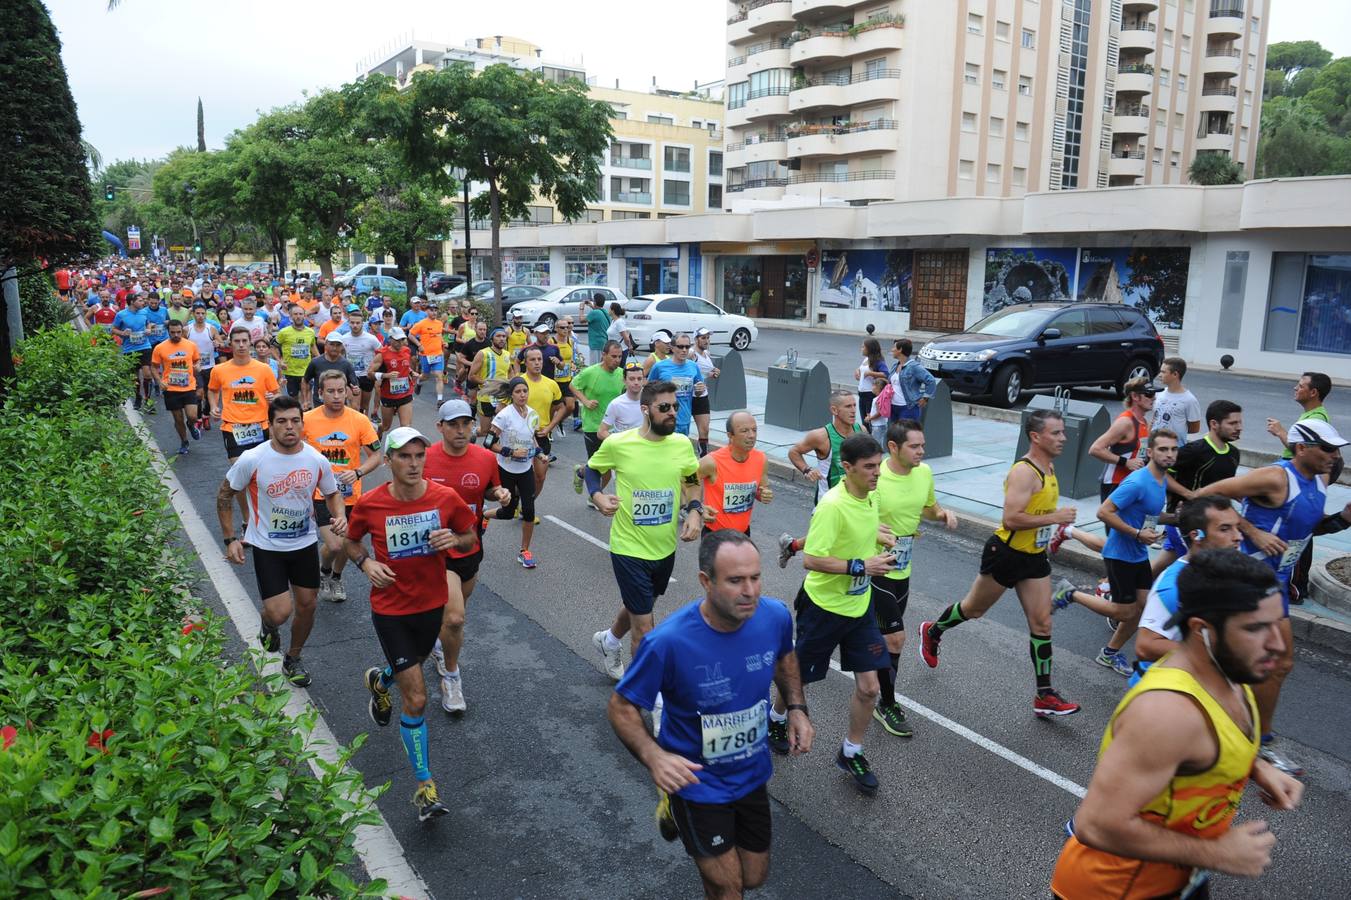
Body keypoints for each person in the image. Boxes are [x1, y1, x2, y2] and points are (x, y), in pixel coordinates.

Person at [1050, 549, 1303, 900]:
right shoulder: (1167, 713)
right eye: (1256, 628)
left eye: (1277, 624)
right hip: (1112, 891)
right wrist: (1218, 853)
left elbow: (1214, 742)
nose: (1277, 644)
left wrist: (1257, 767)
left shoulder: (1232, 669)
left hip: (1181, 880)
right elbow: (1098, 825)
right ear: (1202, 630)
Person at [608, 531, 813, 900]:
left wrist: (796, 707)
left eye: (755, 577)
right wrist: (654, 757)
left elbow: (785, 658)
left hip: (751, 773)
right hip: (695, 781)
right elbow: (621, 706)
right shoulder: (668, 642)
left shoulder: (774, 617)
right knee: (728, 888)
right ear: (706, 581)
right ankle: (678, 809)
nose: (749, 590)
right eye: (735, 581)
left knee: (752, 877)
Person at [346, 427, 477, 822]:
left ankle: (381, 680)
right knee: (417, 697)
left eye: (419, 456)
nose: (414, 463)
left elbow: (470, 537)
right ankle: (424, 786)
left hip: (431, 606)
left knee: (414, 666)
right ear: (388, 461)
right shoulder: (371, 504)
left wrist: (453, 542)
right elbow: (352, 542)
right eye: (404, 456)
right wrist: (366, 564)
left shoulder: (444, 498)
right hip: (390, 609)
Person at [1207, 420, 1351, 777]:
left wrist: (1342, 520)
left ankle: (1249, 735)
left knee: (1276, 664)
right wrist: (1251, 530)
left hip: (1277, 581)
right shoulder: (1274, 478)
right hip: (1249, 578)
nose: (1335, 457)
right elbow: (1211, 494)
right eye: (1328, 449)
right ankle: (1254, 741)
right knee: (1264, 662)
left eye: (1337, 450)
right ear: (1302, 448)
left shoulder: (1319, 480)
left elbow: (1305, 528)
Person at [918, 410, 1082, 717]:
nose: (1063, 438)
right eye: (1056, 433)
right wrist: (1056, 518)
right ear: (1036, 436)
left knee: (1043, 622)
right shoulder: (1025, 471)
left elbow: (1036, 511)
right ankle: (933, 630)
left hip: (1034, 557)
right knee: (974, 610)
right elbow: (1011, 519)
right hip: (1006, 554)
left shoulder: (1049, 466)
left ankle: (1044, 694)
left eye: (1062, 432)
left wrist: (1053, 530)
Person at [767, 434, 895, 794]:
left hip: (859, 609)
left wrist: (878, 539)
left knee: (870, 689)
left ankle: (850, 751)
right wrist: (861, 565)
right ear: (848, 467)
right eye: (869, 467)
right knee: (799, 679)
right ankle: (776, 717)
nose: (877, 473)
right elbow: (811, 559)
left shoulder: (870, 496)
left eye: (879, 465)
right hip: (822, 609)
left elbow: (859, 532)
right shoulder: (832, 505)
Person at [217, 396, 345, 688]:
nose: (289, 427)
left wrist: (339, 516)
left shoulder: (316, 459)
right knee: (280, 612)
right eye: (282, 421)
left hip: (303, 545)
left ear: (302, 422)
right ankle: (269, 622)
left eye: (295, 421)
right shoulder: (253, 459)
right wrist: (230, 539)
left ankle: (293, 657)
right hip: (267, 547)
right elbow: (224, 495)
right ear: (270, 425)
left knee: (308, 606)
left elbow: (332, 493)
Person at [586, 380, 703, 679]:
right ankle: (645, 696)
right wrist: (597, 495)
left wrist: (694, 511)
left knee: (642, 605)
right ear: (645, 410)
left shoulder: (681, 444)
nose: (672, 413)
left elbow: (691, 480)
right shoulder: (619, 444)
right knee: (645, 627)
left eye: (675, 407)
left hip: (664, 548)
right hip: (628, 546)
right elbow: (592, 469)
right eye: (664, 407)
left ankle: (609, 640)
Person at [1052, 429, 1178, 676]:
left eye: (1173, 449)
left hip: (1138, 553)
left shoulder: (1161, 479)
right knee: (1125, 612)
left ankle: (1109, 653)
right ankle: (1070, 593)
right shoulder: (1138, 482)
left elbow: (1149, 514)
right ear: (1150, 452)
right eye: (1163, 449)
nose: (1169, 454)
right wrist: (1137, 534)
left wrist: (1175, 519)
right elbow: (1104, 512)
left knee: (1142, 608)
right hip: (1120, 554)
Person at [424, 399, 513, 714]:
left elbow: (490, 490)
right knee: (455, 617)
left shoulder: (486, 458)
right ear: (440, 427)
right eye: (453, 424)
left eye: (466, 424)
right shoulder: (426, 458)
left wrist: (500, 494)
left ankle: (438, 642)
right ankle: (452, 676)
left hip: (470, 546)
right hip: (435, 551)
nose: (461, 430)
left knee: (450, 614)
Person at [869, 419, 957, 738]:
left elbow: (928, 509)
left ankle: (875, 677)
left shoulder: (924, 473)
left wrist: (942, 514)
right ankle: (886, 703)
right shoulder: (876, 476)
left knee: (885, 638)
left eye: (922, 445)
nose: (922, 451)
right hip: (875, 565)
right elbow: (855, 513)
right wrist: (874, 530)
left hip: (902, 567)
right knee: (896, 638)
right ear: (893, 447)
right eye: (915, 446)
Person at [1129, 495, 1245, 687]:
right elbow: (1146, 645)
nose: (1238, 536)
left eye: (1237, 527)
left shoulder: (1224, 567)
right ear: (1196, 535)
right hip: (1164, 693)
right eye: (1225, 529)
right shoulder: (1174, 585)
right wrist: (1214, 655)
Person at [302, 370, 382, 604]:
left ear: (347, 391)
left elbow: (376, 455)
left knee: (347, 544)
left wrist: (358, 472)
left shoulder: (359, 420)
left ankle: (334, 577)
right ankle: (325, 570)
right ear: (320, 393)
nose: (337, 396)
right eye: (330, 391)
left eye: (341, 390)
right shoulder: (307, 419)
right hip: (320, 494)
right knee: (336, 544)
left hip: (351, 495)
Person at [1151, 400, 1244, 576]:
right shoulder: (1195, 450)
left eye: (1240, 422)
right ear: (1214, 424)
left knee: (1159, 567)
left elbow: (1224, 485)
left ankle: (1118, 588)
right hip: (1187, 522)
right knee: (1202, 571)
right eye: (1232, 423)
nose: (1239, 427)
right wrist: (1187, 493)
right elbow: (1158, 469)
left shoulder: (1233, 453)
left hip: (1211, 522)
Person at [778, 390, 863, 567]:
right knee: (826, 548)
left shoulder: (860, 431)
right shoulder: (821, 436)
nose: (854, 410)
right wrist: (807, 469)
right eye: (848, 406)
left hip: (854, 498)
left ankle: (791, 546)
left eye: (854, 405)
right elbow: (794, 452)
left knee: (845, 537)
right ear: (834, 410)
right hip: (829, 500)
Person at [488, 377, 544, 568]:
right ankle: (485, 515)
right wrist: (510, 452)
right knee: (508, 512)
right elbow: (488, 443)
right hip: (506, 469)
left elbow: (532, 439)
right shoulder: (504, 416)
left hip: (525, 469)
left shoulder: (533, 414)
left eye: (525, 391)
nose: (522, 395)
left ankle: (524, 551)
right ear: (511, 395)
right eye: (518, 391)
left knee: (529, 510)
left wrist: (540, 453)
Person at [698, 411, 771, 538]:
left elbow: (760, 490)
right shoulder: (712, 462)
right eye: (744, 431)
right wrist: (698, 507)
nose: (751, 435)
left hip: (744, 533)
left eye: (754, 430)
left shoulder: (761, 459)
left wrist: (763, 495)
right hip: (715, 535)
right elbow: (686, 479)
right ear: (730, 435)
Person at [571, 340, 626, 493]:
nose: (617, 360)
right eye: (613, 356)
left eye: (620, 357)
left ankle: (592, 491)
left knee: (609, 465)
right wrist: (585, 401)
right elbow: (573, 385)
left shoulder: (622, 374)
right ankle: (590, 485)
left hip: (613, 429)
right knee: (601, 466)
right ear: (604, 355)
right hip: (593, 426)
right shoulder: (591, 372)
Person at [1089, 378, 1157, 502]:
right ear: (1135, 396)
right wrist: (1126, 462)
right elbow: (1095, 449)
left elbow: (1138, 452)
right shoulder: (1125, 422)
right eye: (1149, 394)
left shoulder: (1143, 421)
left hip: (1132, 483)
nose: (1154, 398)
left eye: (1154, 394)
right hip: (1116, 484)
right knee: (1115, 521)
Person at [149, 319, 203, 455]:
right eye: (173, 332)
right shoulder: (160, 348)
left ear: (182, 331)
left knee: (192, 416)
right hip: (171, 389)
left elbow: (197, 360)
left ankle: (191, 425)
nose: (176, 335)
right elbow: (154, 367)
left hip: (189, 386)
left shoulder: (191, 345)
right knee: (178, 419)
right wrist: (159, 381)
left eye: (178, 332)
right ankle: (184, 441)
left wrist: (197, 366)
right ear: (168, 332)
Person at [519, 346, 565, 491]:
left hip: (541, 435)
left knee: (540, 477)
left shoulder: (551, 384)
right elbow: (501, 408)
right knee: (519, 476)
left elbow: (562, 407)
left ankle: (528, 505)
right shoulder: (518, 382)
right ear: (525, 363)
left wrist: (549, 428)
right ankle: (517, 502)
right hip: (520, 436)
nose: (537, 363)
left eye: (539, 359)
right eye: (532, 360)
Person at [649, 333, 705, 447]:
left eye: (687, 347)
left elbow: (699, 390)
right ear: (672, 347)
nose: (684, 350)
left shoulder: (693, 367)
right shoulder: (660, 367)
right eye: (680, 347)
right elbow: (649, 391)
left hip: (684, 418)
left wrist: (699, 390)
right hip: (664, 418)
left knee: (679, 453)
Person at [469, 327, 516, 442]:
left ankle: (496, 450)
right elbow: (471, 375)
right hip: (486, 397)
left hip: (502, 397)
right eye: (498, 336)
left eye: (504, 336)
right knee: (485, 430)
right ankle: (473, 433)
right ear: (492, 339)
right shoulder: (483, 354)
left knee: (505, 426)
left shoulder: (507, 354)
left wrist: (513, 382)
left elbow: (509, 371)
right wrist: (487, 383)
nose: (501, 339)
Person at [111, 292, 155, 412]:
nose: (143, 302)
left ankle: (148, 400)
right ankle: (138, 397)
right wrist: (122, 333)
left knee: (147, 373)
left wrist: (149, 329)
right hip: (129, 349)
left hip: (145, 346)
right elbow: (114, 329)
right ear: (132, 302)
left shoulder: (144, 312)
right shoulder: (121, 315)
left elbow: (148, 323)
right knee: (134, 378)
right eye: (140, 301)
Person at [370, 327, 416, 433]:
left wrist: (411, 372)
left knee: (406, 427)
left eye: (402, 339)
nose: (400, 342)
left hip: (405, 393)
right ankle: (376, 432)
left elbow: (405, 367)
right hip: (388, 395)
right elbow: (370, 373)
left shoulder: (407, 351)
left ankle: (402, 449)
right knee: (386, 427)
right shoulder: (382, 354)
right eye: (397, 340)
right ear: (390, 339)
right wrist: (386, 375)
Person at [341, 309, 384, 421]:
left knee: (364, 407)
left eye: (358, 323)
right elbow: (340, 357)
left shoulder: (371, 339)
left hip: (366, 376)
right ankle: (352, 427)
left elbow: (382, 354)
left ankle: (363, 428)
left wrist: (377, 370)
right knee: (354, 406)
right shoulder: (344, 338)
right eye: (352, 322)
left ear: (362, 323)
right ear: (348, 322)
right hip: (351, 376)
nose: (355, 325)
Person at [300, 331, 359, 411]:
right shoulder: (315, 362)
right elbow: (305, 380)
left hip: (339, 405)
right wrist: (305, 400)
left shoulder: (346, 364)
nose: (334, 348)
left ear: (342, 347)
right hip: (320, 404)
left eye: (338, 345)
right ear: (326, 345)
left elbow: (355, 387)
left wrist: (356, 391)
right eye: (332, 344)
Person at [186, 304, 223, 429]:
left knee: (209, 394)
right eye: (198, 313)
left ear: (206, 314)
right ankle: (199, 417)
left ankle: (206, 415)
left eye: (203, 313)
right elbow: (180, 344)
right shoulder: (188, 329)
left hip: (210, 366)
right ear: (193, 314)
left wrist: (217, 343)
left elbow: (221, 342)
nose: (200, 316)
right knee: (199, 393)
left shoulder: (211, 328)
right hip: (195, 367)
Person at [1151, 357, 1201, 445]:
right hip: (1155, 447)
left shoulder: (1189, 400)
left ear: (1175, 374)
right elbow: (1154, 419)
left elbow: (1194, 428)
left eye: (1163, 372)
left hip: (1176, 450)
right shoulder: (1159, 394)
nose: (1159, 375)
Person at [273, 303, 317, 398]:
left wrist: (319, 358)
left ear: (304, 316)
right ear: (291, 316)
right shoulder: (284, 332)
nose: (298, 316)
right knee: (293, 401)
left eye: (300, 314)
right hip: (290, 372)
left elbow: (313, 346)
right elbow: (272, 347)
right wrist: (279, 361)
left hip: (306, 371)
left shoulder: (310, 332)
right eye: (295, 314)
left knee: (307, 400)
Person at [888, 338, 936, 423]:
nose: (892, 349)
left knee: (906, 434)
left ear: (900, 350)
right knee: (895, 435)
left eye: (894, 347)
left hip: (908, 408)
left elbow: (931, 380)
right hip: (893, 407)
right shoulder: (895, 365)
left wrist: (925, 398)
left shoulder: (914, 366)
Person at [408, 304, 448, 403]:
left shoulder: (439, 323)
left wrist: (443, 342)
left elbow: (439, 335)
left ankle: (439, 400)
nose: (434, 312)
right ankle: (419, 381)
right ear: (426, 311)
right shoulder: (421, 323)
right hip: (426, 355)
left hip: (438, 354)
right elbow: (410, 335)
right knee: (425, 376)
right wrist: (419, 345)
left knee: (439, 376)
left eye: (435, 310)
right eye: (431, 310)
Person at [690, 328, 720, 454]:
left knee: (704, 430)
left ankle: (703, 459)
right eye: (703, 338)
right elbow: (685, 371)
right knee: (682, 429)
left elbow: (705, 372)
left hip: (702, 396)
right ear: (696, 339)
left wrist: (713, 373)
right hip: (688, 396)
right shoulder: (691, 354)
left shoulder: (706, 353)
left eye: (708, 338)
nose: (706, 340)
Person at [598, 362, 647, 440]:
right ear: (624, 380)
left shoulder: (651, 401)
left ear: (644, 380)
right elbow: (601, 432)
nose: (636, 382)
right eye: (632, 379)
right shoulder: (616, 404)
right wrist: (619, 443)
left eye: (639, 379)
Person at [854, 338, 888, 428]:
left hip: (870, 394)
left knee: (870, 422)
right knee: (864, 421)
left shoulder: (878, 361)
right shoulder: (866, 359)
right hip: (862, 394)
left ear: (869, 348)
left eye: (863, 347)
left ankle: (870, 440)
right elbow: (861, 369)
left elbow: (885, 374)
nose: (861, 349)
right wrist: (857, 371)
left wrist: (871, 373)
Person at [585, 294, 611, 366]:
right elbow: (597, 312)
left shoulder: (595, 312)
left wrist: (581, 308)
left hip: (596, 343)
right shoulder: (604, 312)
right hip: (604, 342)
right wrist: (591, 306)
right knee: (602, 365)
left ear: (595, 302)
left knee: (594, 366)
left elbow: (581, 320)